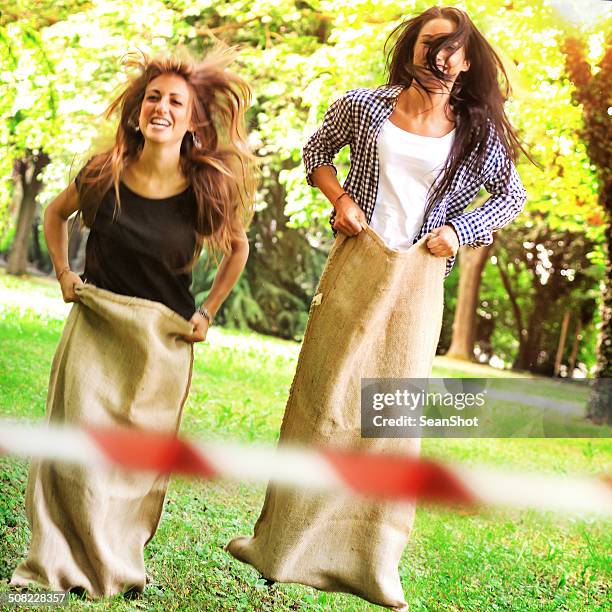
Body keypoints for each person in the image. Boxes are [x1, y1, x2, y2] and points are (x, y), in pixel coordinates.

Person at [227, 6, 528, 611]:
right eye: (429, 45)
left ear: (468, 60)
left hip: (420, 273)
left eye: (452, 50)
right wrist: (339, 200)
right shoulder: (365, 106)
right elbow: (316, 151)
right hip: (358, 260)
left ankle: (375, 562)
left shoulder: (475, 131)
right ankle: (278, 544)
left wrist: (461, 231)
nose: (439, 58)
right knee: (322, 400)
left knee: (394, 418)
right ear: (411, 48)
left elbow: (511, 197)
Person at [11, 47, 257, 598]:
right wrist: (62, 271)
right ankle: (56, 555)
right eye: (153, 97)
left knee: (131, 464)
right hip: (96, 328)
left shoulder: (205, 188)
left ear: (194, 119)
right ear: (138, 110)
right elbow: (55, 212)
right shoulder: (105, 172)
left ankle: (113, 557)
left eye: (175, 101)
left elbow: (237, 250)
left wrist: (207, 310)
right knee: (73, 448)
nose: (161, 108)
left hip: (160, 343)